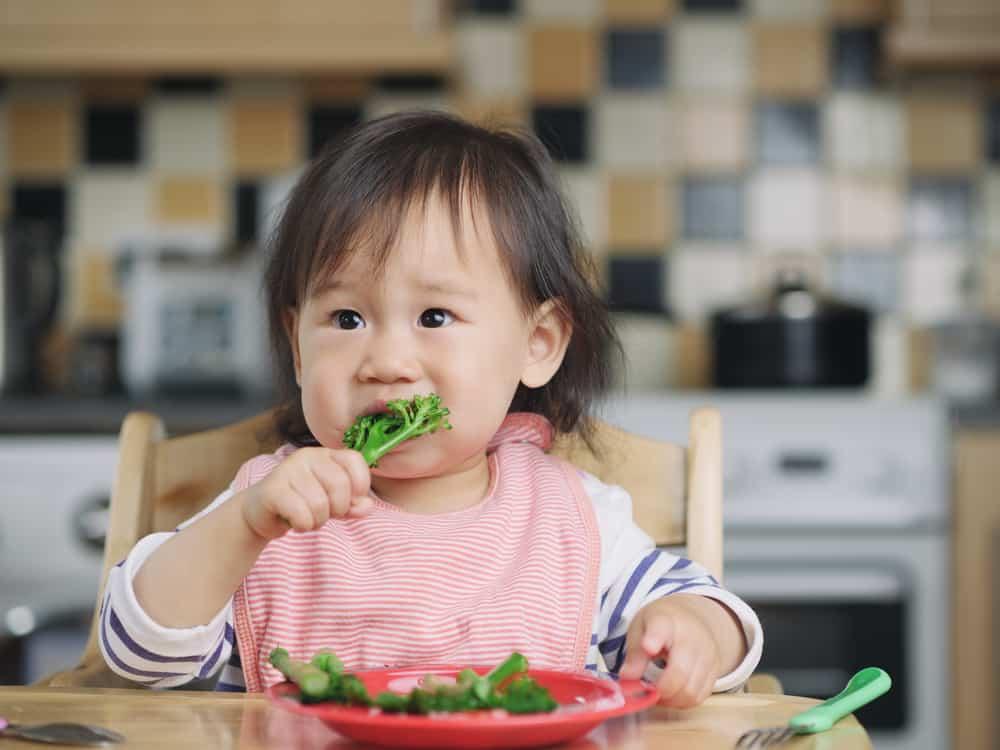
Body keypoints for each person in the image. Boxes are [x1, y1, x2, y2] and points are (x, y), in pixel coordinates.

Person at [99, 110, 762, 707]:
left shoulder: (574, 519)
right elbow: (137, 655)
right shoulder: (266, 512)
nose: (387, 361)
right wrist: (242, 526)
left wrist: (696, 629)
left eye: (435, 316)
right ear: (298, 347)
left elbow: (714, 616)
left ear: (536, 345)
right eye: (347, 318)